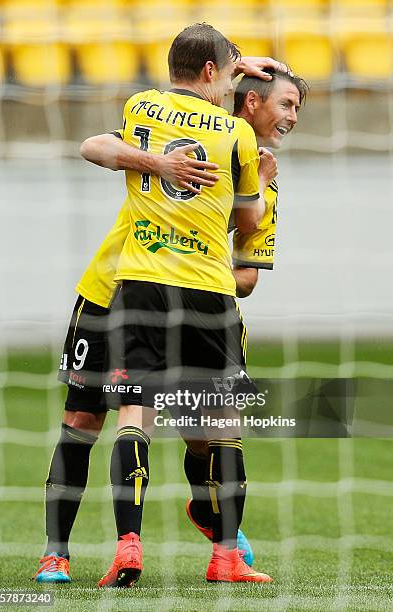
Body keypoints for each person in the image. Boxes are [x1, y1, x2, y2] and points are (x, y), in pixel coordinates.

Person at [33, 26, 303, 586]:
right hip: (111, 290)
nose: (293, 117)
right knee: (83, 420)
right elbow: (94, 145)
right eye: (287, 102)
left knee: (198, 428)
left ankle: (212, 518)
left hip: (181, 291)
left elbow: (248, 274)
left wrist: (229, 212)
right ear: (244, 93)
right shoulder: (162, 125)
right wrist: (159, 164)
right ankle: (56, 552)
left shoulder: (254, 164)